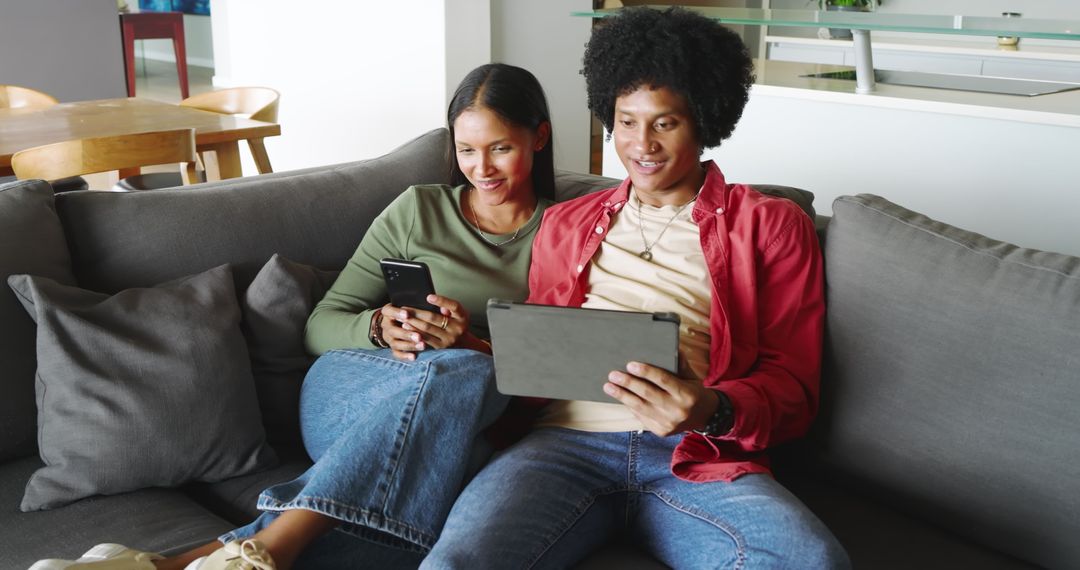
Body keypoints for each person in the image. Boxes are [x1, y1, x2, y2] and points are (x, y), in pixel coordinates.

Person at [30, 63, 555, 570]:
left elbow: (559, 361)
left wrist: (472, 344)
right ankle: (270, 549)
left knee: (437, 500)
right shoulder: (418, 209)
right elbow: (319, 326)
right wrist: (376, 327)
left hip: (458, 421)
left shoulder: (568, 232)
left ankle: (171, 565)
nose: (480, 169)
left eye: (500, 148)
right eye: (466, 150)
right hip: (353, 388)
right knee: (461, 383)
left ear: (539, 137)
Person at [421, 8, 850, 569]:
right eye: (626, 121)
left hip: (694, 455)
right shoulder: (565, 224)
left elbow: (794, 388)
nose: (641, 143)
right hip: (563, 447)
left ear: (703, 120)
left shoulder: (770, 223)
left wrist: (712, 408)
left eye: (664, 123)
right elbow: (537, 356)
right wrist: (467, 344)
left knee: (809, 561)